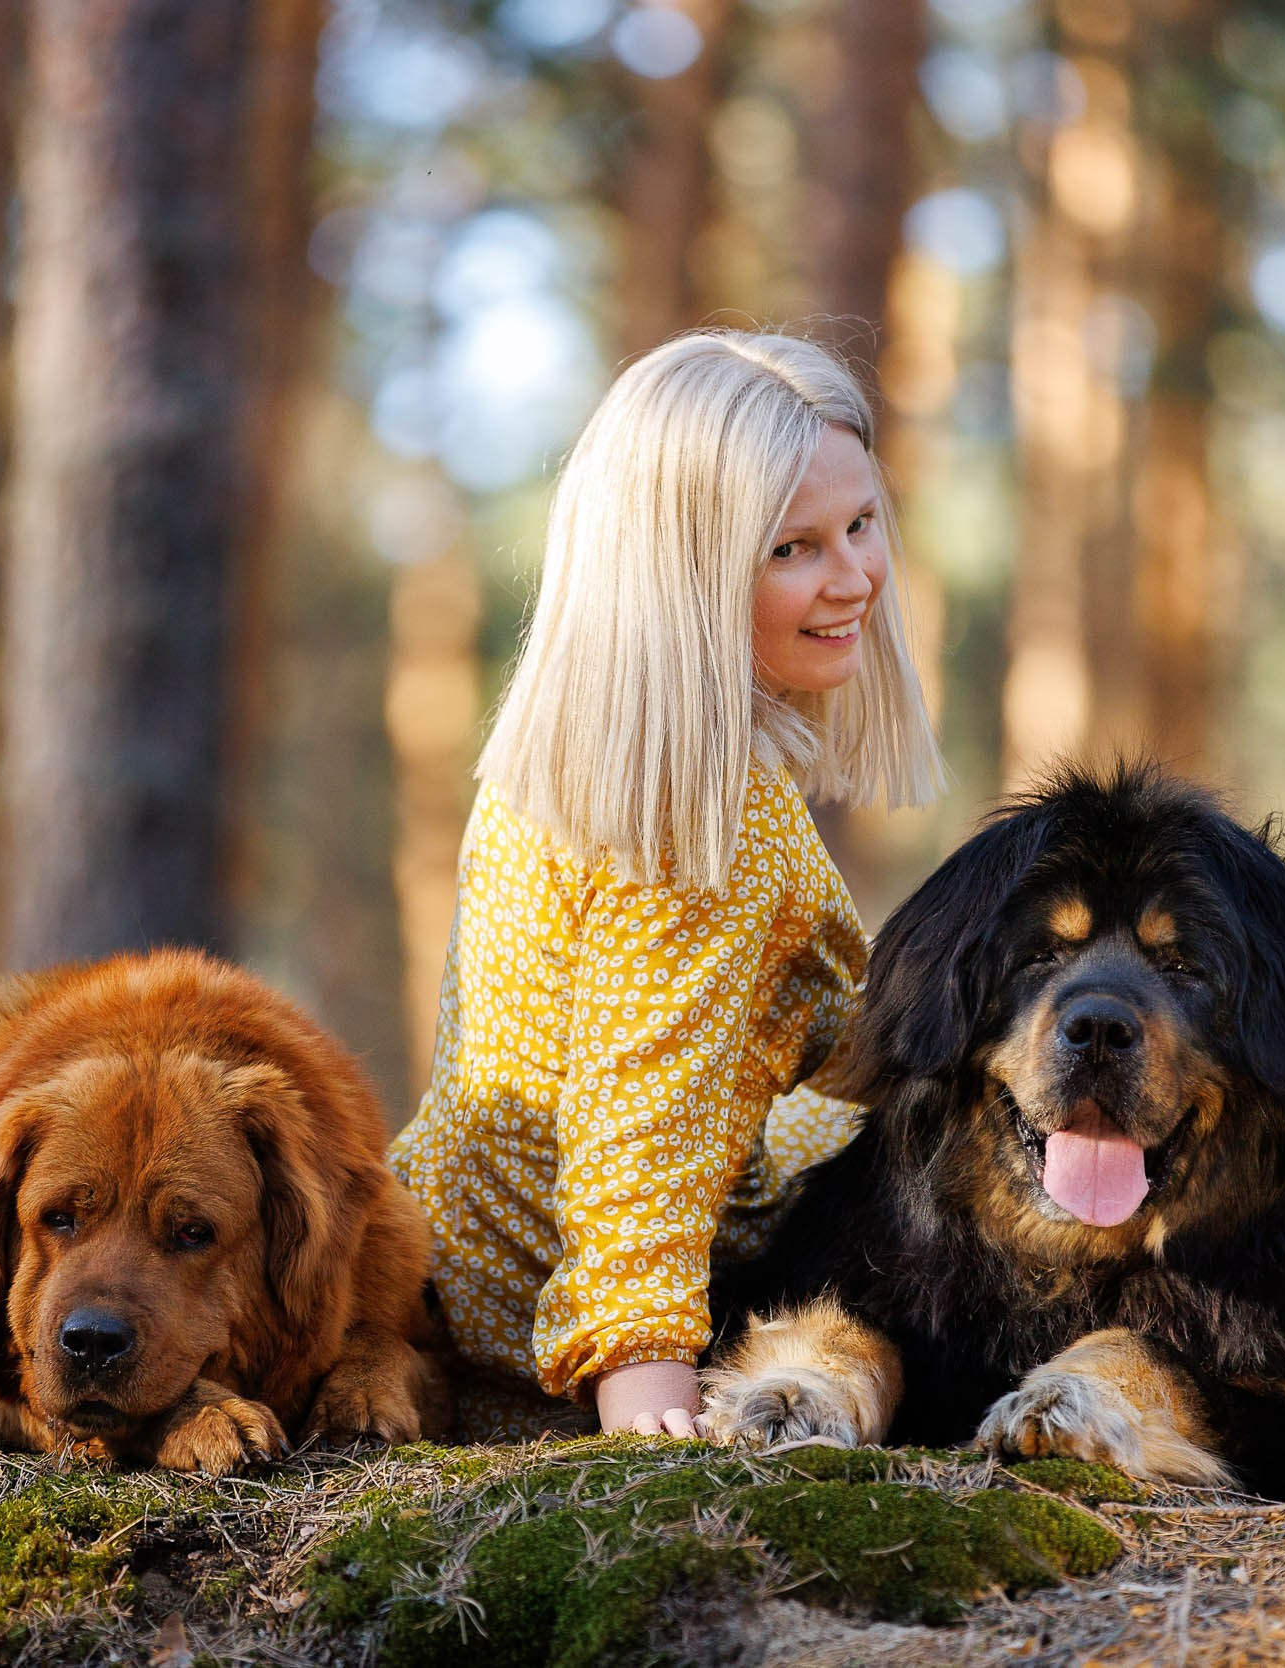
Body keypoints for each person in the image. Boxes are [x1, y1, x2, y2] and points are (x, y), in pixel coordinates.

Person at [388, 329, 943, 1437]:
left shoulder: (586, 748)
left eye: (860, 524)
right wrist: (643, 1387)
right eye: (791, 550)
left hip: (446, 1242)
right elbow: (640, 1112)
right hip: (545, 1310)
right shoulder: (708, 831)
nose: (854, 578)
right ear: (682, 572)